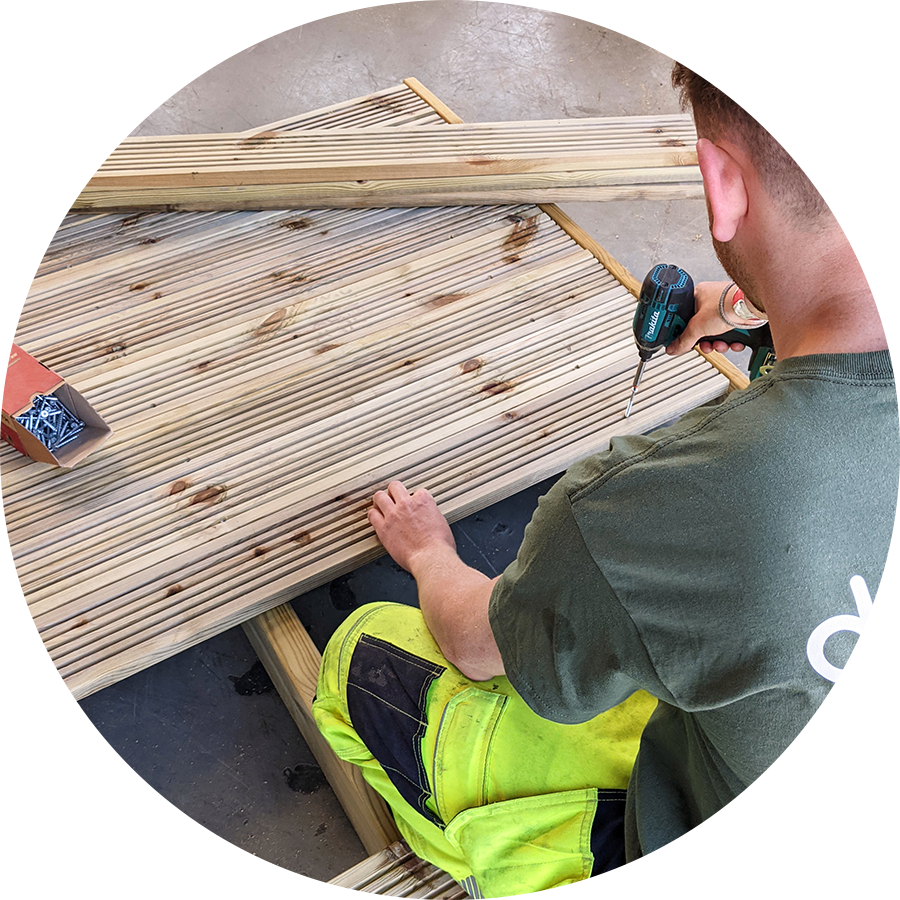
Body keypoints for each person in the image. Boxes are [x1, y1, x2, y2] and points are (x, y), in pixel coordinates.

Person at [313, 62, 897, 893]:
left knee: (361, 649)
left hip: (678, 809)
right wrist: (752, 309)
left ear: (720, 182)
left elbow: (480, 648)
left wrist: (428, 555)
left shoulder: (650, 507)